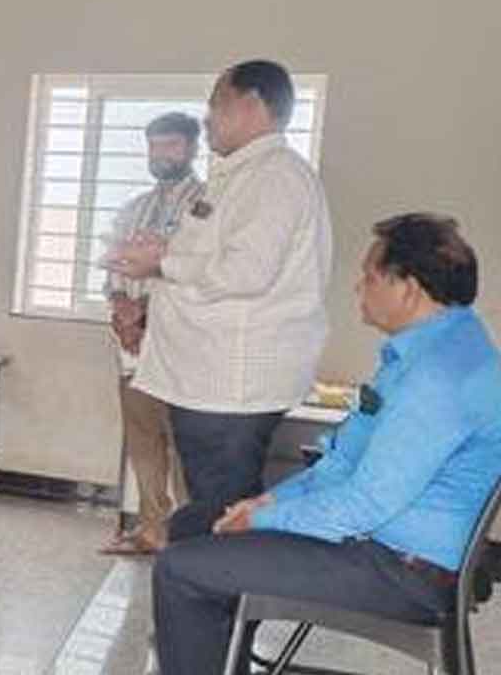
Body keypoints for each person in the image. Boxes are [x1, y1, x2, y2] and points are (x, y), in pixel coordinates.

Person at [153, 213, 501, 675]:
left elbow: (366, 503)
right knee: (196, 522)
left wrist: (263, 519)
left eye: (369, 276)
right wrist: (269, 500)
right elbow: (343, 462)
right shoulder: (433, 350)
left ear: (409, 288)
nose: (358, 287)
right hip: (381, 542)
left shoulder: (438, 377)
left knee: (181, 569)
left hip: (401, 568)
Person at [106, 60, 332, 541]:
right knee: (213, 512)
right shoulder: (237, 178)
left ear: (251, 106)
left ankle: (212, 611)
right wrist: (159, 257)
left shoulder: (275, 178)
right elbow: (207, 258)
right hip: (205, 379)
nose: (208, 117)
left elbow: (246, 272)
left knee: (217, 515)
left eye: (215, 104)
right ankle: (205, 602)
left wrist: (162, 261)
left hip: (231, 389)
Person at [100, 113, 205, 556]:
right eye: (154, 147)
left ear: (192, 149)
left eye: (171, 146)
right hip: (133, 344)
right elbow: (110, 267)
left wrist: (147, 313)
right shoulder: (135, 207)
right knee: (142, 437)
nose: (160, 155)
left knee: (184, 440)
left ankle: (186, 538)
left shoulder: (207, 206)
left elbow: (201, 272)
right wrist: (122, 309)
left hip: (182, 344)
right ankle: (150, 529)